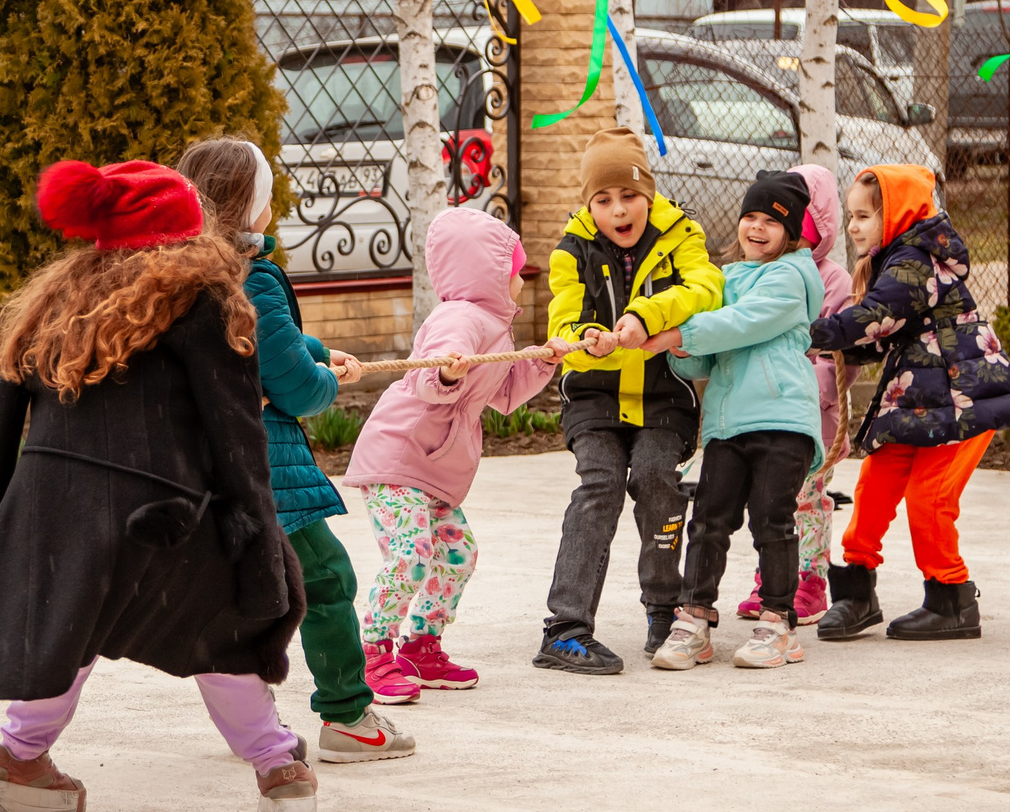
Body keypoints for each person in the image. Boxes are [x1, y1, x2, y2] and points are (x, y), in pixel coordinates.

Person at [0, 159, 319, 812]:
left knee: (72, 619)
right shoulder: (205, 299)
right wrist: (256, 544)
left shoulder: (54, 302)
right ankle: (280, 771)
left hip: (54, 508)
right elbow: (236, 435)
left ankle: (14, 757)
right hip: (166, 511)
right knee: (222, 629)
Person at [174, 136, 414, 763]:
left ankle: (252, 726)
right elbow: (297, 389)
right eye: (265, 192)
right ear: (246, 204)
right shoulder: (255, 278)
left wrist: (317, 350)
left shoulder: (181, 273)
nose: (272, 202)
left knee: (238, 598)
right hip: (268, 474)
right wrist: (325, 377)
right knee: (326, 580)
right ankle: (349, 717)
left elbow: (264, 346)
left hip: (202, 471)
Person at [809, 164, 1010, 642]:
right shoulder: (895, 260)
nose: (853, 227)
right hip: (920, 401)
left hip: (962, 401)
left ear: (895, 215)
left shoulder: (914, 260)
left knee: (929, 498)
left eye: (864, 216)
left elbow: (879, 314)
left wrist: (821, 331)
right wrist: (839, 346)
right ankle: (856, 591)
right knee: (874, 487)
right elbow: (882, 333)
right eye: (850, 216)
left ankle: (951, 598)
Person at [341, 208, 561, 693]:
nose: (522, 277)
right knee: (412, 553)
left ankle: (422, 646)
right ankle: (372, 651)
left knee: (457, 553)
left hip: (435, 466)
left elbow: (504, 394)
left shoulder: (496, 326)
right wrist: (446, 373)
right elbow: (425, 378)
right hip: (399, 457)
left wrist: (545, 361)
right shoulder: (459, 317)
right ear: (491, 273)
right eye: (515, 268)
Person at [534, 127, 724, 675]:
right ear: (588, 204)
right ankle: (565, 629)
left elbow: (706, 289)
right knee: (599, 486)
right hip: (594, 397)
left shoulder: (682, 234)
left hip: (665, 397)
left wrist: (645, 316)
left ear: (648, 193)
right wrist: (588, 339)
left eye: (629, 195)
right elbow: (563, 321)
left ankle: (665, 612)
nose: (618, 210)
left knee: (657, 479)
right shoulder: (571, 250)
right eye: (603, 199)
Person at [656, 171, 827, 671]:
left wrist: (680, 333)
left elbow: (742, 323)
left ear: (791, 232)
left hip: (781, 418)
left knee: (772, 520)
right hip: (728, 423)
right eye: (749, 216)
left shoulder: (790, 277)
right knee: (709, 520)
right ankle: (694, 620)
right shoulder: (724, 279)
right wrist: (680, 345)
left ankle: (778, 623)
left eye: (770, 221)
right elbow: (704, 357)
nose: (756, 227)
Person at [735, 162, 854, 630]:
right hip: (760, 411)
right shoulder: (751, 275)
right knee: (767, 501)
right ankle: (770, 577)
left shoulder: (833, 281)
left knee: (808, 499)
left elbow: (841, 356)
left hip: (808, 417)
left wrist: (804, 386)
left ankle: (809, 581)